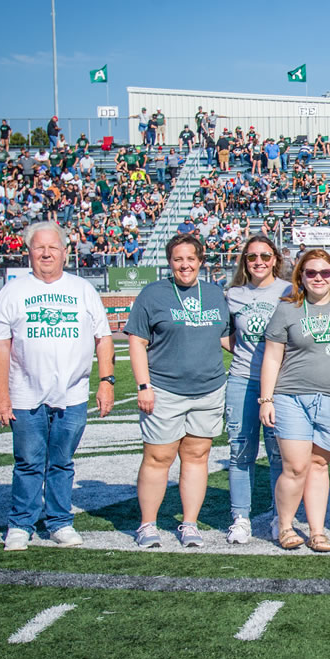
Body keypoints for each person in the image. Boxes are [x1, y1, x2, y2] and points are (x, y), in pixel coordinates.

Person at [0, 221, 115, 552]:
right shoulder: (12, 292)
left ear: (65, 252)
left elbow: (103, 339)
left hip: (72, 394)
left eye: (53, 247)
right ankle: (21, 524)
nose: (46, 253)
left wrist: (106, 382)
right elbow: (0, 346)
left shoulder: (83, 289)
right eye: (39, 247)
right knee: (28, 462)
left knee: (62, 462)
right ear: (29, 252)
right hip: (25, 393)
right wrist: (0, 395)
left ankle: (60, 521)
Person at [125, 233, 231, 548]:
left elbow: (225, 338)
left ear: (200, 261)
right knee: (159, 456)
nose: (184, 265)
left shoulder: (214, 294)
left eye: (190, 259)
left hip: (209, 389)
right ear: (170, 262)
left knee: (197, 456)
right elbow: (137, 341)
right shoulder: (153, 294)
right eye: (177, 259)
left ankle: (189, 524)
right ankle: (147, 524)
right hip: (164, 388)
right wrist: (143, 385)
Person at [259, 249, 330, 552]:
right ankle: (286, 525)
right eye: (311, 273)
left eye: (325, 273)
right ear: (300, 276)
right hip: (292, 396)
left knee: (318, 465)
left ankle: (317, 531)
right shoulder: (287, 309)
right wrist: (266, 399)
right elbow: (272, 357)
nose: (318, 278)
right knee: (295, 466)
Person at [223, 234, 290, 544]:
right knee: (240, 451)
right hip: (242, 380)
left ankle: (281, 517)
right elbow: (225, 335)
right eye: (252, 257)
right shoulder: (233, 294)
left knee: (279, 454)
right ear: (244, 262)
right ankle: (240, 517)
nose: (259, 261)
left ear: (275, 258)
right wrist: (245, 356)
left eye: (265, 255)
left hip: (281, 383)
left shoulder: (289, 291)